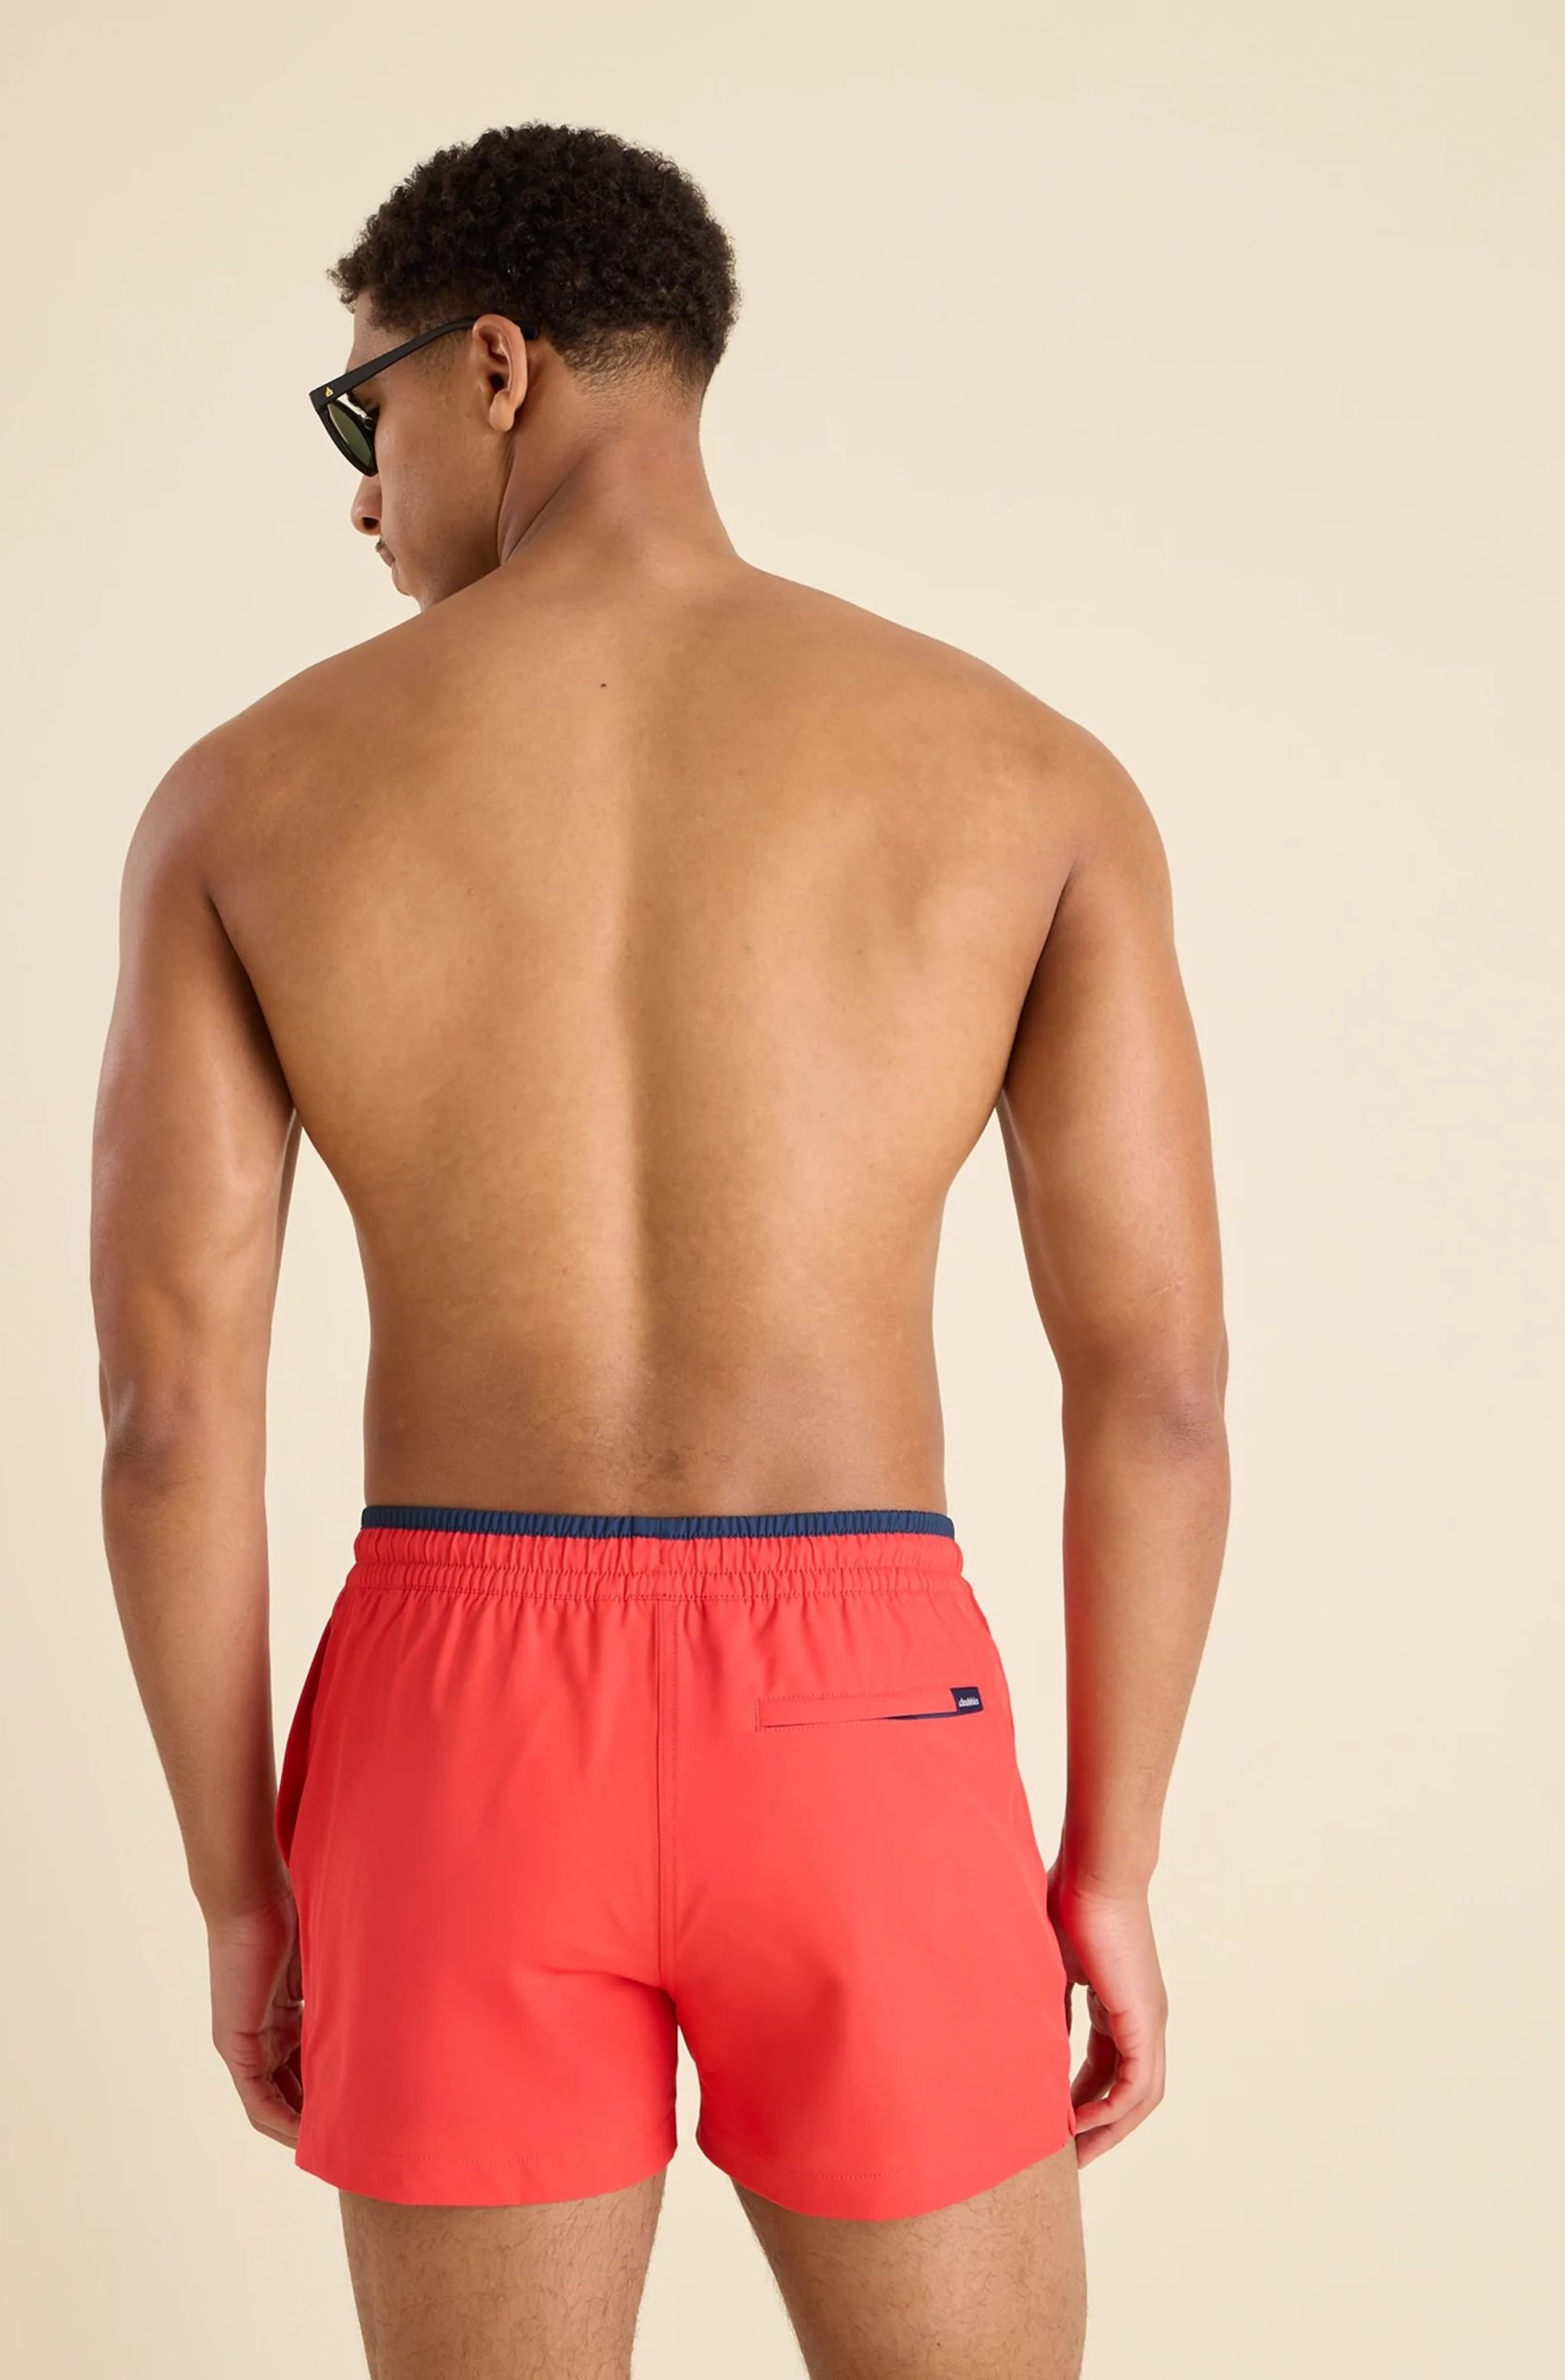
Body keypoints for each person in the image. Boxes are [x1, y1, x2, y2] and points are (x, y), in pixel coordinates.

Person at [89, 120, 1228, 2380]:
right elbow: (1163, 1389)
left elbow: (167, 1419)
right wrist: (1108, 1860)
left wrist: (240, 1883)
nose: (361, 495)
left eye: (366, 411)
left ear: (494, 366)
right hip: (867, 1711)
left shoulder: (246, 796)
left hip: (450, 1731)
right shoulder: (1027, 775)